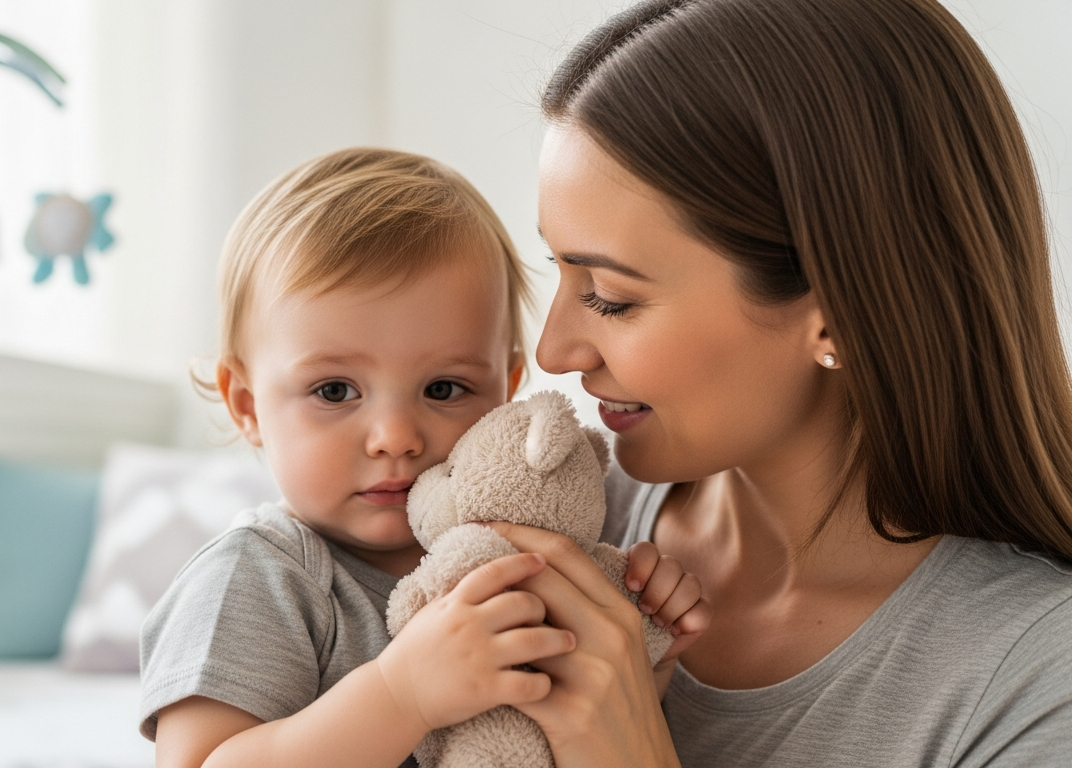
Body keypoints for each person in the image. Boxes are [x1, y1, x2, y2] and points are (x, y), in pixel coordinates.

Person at [485, 0, 1072, 765]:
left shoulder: (1032, 680)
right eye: (556, 269)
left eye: (612, 296)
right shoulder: (553, 524)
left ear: (837, 316)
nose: (555, 351)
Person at [137, 148, 711, 768]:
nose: (395, 437)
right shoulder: (261, 577)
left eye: (443, 389)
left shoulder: (520, 558)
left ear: (505, 389)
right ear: (247, 404)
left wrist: (642, 650)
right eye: (334, 391)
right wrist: (401, 693)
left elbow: (570, 732)